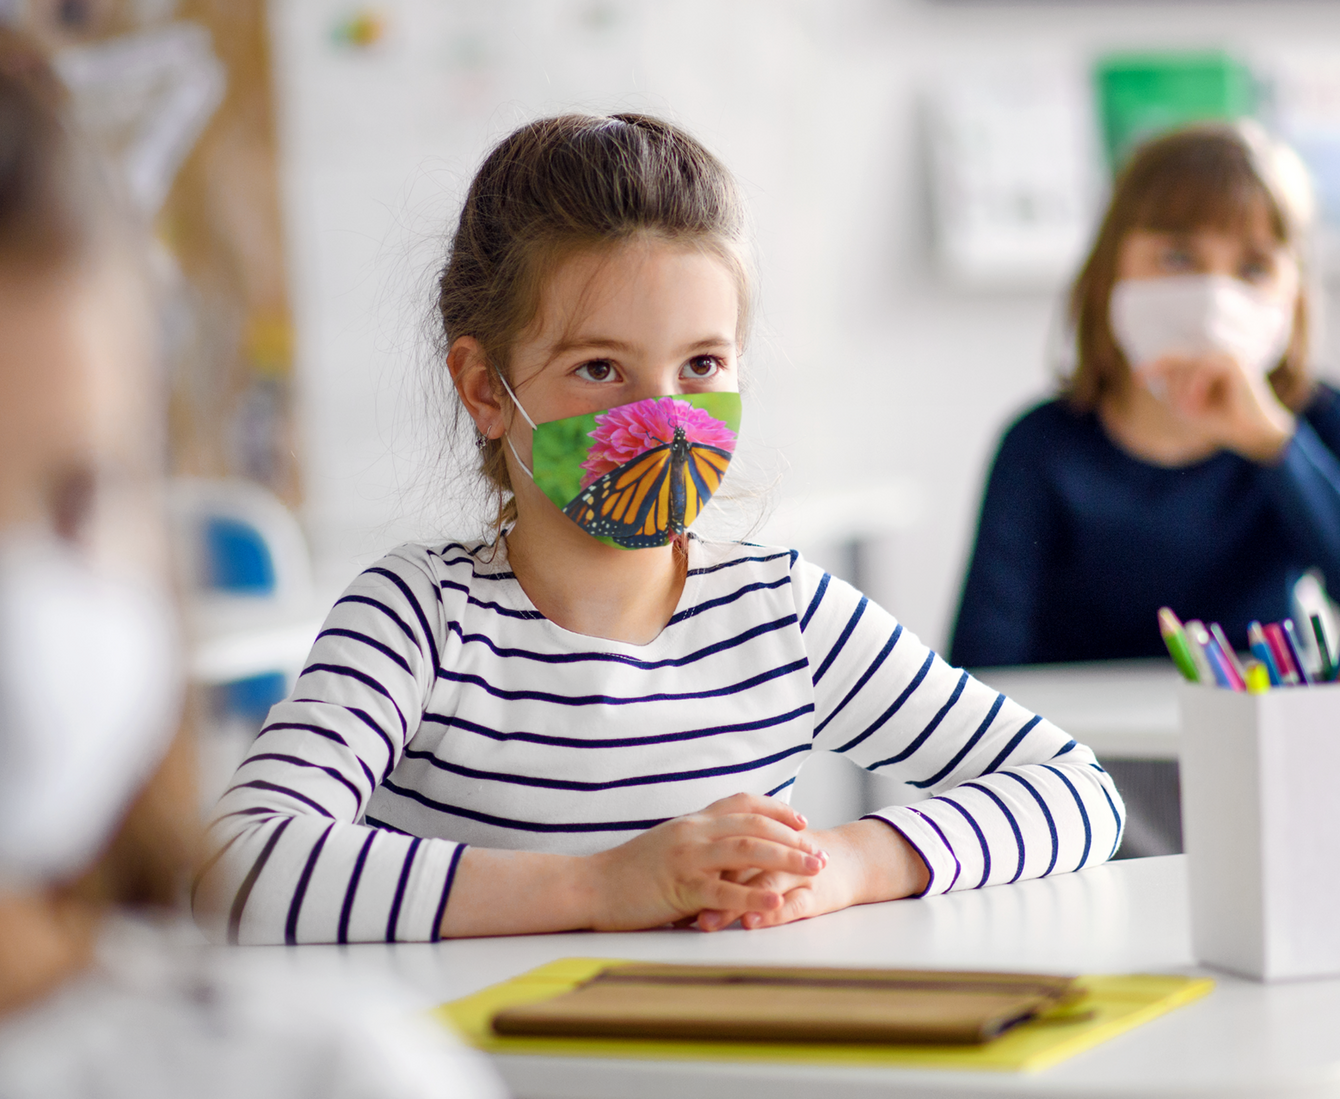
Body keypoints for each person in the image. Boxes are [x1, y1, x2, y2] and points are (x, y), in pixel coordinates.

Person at [200, 112, 1124, 946]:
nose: (664, 413)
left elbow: (1078, 791)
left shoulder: (781, 615)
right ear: (486, 389)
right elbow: (233, 868)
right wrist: (600, 886)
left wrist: (845, 867)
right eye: (599, 367)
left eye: (701, 364)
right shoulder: (418, 620)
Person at [0, 19, 502, 1099]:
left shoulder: (318, 1077)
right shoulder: (421, 607)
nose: (3, 604)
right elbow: (271, 848)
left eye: (79, 496)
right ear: (483, 389)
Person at [951, 122, 1340, 669]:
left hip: (1260, 748)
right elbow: (979, 667)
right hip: (1080, 750)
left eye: (1253, 267)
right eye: (1177, 257)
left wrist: (1279, 448)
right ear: (1111, 269)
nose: (1213, 295)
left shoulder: (1315, 424)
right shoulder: (1039, 447)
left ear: (1294, 292)